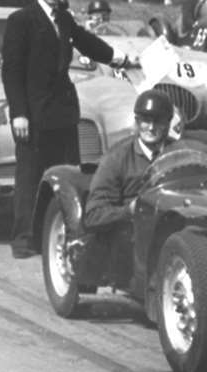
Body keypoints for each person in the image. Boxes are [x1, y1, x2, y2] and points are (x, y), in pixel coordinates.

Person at [2, 0, 120, 257]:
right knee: (30, 178)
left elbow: (87, 43)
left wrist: (118, 57)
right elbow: (12, 71)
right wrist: (18, 112)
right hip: (32, 115)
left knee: (68, 174)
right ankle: (23, 239)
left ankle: (66, 233)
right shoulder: (22, 20)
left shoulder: (64, 18)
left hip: (64, 114)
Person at [77, 86, 181, 304]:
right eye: (145, 120)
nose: (151, 127)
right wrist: (129, 211)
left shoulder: (179, 152)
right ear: (136, 121)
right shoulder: (117, 158)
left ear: (169, 123)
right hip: (132, 237)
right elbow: (94, 215)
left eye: (159, 121)